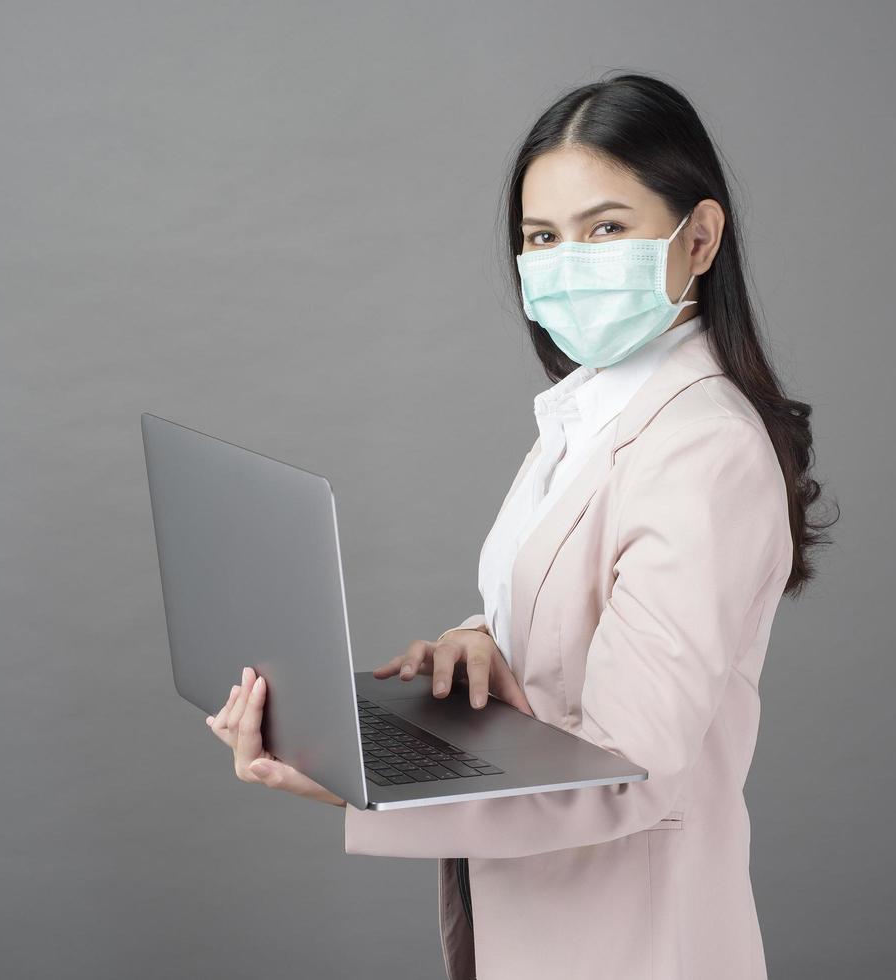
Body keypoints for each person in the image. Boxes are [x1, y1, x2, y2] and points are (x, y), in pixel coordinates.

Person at [204, 71, 835, 980]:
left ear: (699, 237)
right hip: (535, 923)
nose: (566, 259)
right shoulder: (590, 415)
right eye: (542, 236)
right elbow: (567, 598)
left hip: (635, 940)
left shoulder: (706, 450)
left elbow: (626, 772)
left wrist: (355, 781)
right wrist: (478, 642)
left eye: (606, 228)